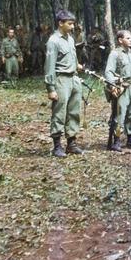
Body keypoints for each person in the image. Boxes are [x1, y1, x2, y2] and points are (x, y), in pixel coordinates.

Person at [44, 10, 84, 158]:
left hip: (73, 78)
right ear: (60, 23)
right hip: (61, 80)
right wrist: (51, 88)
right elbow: (49, 66)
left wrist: (77, 65)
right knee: (59, 112)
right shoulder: (53, 41)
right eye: (69, 23)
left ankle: (71, 143)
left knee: (74, 111)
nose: (72, 26)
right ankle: (57, 146)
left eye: (73, 23)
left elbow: (72, 56)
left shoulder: (70, 39)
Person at [105, 30, 131, 151]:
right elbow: (109, 72)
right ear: (120, 40)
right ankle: (116, 141)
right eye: (128, 38)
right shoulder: (115, 54)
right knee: (119, 114)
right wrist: (113, 86)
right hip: (121, 88)